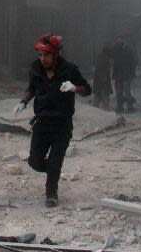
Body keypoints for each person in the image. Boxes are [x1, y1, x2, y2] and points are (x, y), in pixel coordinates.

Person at [13, 34, 91, 207]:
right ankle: (54, 169)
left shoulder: (69, 69)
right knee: (34, 161)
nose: (43, 59)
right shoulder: (35, 68)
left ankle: (51, 193)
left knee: (55, 161)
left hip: (62, 124)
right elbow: (31, 88)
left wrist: (74, 87)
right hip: (41, 123)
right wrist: (23, 102)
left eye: (46, 55)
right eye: (39, 55)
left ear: (55, 54)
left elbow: (88, 89)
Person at [110, 36, 136, 113]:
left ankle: (122, 107)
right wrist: (132, 73)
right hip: (123, 74)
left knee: (121, 92)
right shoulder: (126, 49)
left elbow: (132, 62)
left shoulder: (116, 49)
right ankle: (126, 107)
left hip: (122, 74)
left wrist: (132, 72)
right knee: (123, 92)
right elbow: (132, 62)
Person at [92, 43, 113, 109]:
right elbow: (101, 69)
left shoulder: (101, 56)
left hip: (100, 80)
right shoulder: (105, 58)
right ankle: (104, 110)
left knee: (99, 96)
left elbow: (99, 68)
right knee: (104, 96)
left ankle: (96, 109)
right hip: (103, 81)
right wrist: (103, 79)